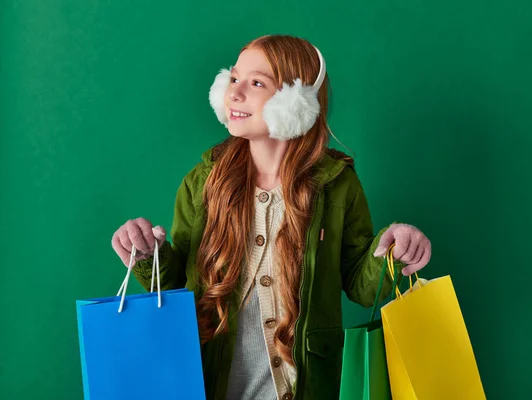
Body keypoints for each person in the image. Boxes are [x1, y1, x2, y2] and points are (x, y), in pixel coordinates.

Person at [111, 34, 431, 400]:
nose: (235, 92)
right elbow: (175, 289)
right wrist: (147, 255)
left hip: (308, 387)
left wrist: (392, 249)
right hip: (214, 385)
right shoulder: (203, 183)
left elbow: (360, 284)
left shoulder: (338, 186)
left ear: (295, 102)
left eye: (257, 83)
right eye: (233, 79)